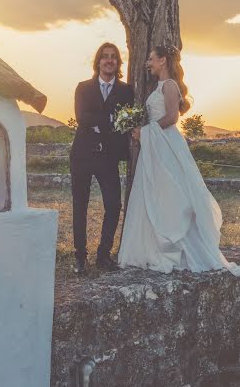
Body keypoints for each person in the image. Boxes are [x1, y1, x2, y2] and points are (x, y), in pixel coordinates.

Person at [118, 44, 240, 276]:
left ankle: (180, 245)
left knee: (172, 191)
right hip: (156, 146)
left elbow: (172, 117)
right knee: (155, 192)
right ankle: (151, 246)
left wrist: (145, 132)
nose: (148, 63)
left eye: (152, 59)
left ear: (163, 60)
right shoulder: (158, 86)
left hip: (166, 145)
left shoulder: (170, 85)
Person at [70, 42, 134, 274]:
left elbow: (125, 122)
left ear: (118, 63)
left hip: (109, 157)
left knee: (114, 205)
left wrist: (101, 120)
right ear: (98, 62)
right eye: (105, 57)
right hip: (82, 155)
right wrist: (110, 119)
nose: (109, 60)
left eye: (113, 57)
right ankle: (80, 257)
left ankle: (103, 255)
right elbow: (82, 118)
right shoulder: (83, 88)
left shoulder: (126, 91)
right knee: (80, 205)